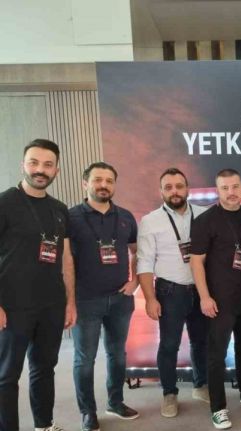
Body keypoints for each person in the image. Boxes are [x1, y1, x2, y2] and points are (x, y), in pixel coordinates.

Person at [0, 139, 77, 431]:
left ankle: (44, 425)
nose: (40, 170)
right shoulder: (5, 203)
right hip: (12, 306)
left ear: (57, 170)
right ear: (23, 164)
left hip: (51, 305)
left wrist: (70, 302)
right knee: (7, 375)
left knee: (44, 369)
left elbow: (66, 258)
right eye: (34, 162)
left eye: (47, 164)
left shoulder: (60, 209)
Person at [190, 169, 241, 429]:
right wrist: (204, 297)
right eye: (225, 188)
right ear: (218, 190)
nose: (231, 192)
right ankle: (218, 407)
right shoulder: (205, 221)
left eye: (235, 187)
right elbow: (196, 262)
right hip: (219, 300)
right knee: (217, 354)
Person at [68, 162, 140, 431]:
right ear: (85, 183)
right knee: (84, 359)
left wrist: (134, 280)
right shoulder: (71, 217)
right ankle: (88, 412)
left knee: (117, 355)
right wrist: (69, 299)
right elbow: (65, 260)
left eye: (109, 181)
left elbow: (136, 251)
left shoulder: (125, 217)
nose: (103, 185)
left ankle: (116, 402)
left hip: (120, 299)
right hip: (85, 301)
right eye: (98, 180)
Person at [136, 167, 210, 417]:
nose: (174, 191)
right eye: (168, 187)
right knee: (169, 345)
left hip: (201, 289)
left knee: (201, 342)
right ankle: (169, 393)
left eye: (179, 186)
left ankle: (201, 386)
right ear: (161, 192)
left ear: (187, 189)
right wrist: (150, 298)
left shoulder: (203, 215)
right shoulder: (151, 221)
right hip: (170, 291)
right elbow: (145, 262)